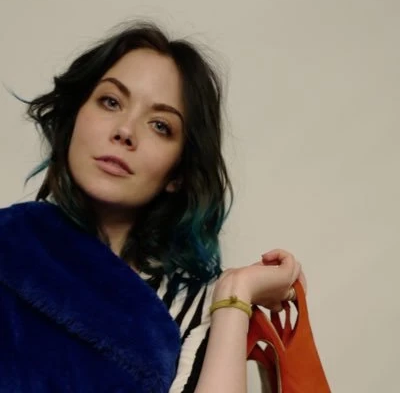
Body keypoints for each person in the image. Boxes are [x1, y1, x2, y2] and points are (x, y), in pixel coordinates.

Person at [0, 22, 305, 392]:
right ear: (74, 116)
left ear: (178, 173)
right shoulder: (10, 242)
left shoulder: (197, 306)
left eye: (160, 125)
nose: (125, 131)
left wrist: (236, 293)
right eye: (111, 102)